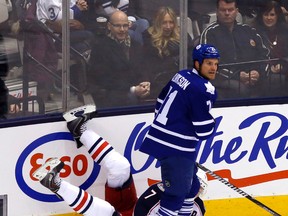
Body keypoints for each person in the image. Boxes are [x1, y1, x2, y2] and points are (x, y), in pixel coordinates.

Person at [32, 104, 207, 216]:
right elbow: (142, 205)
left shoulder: (190, 208)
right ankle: (79, 129)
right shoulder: (178, 195)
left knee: (107, 212)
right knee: (120, 167)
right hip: (133, 208)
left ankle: (56, 184)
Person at [139, 44, 220, 216]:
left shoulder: (181, 75)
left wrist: (165, 128)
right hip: (178, 148)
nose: (213, 68)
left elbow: (160, 101)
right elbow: (203, 130)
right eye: (208, 63)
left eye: (215, 63)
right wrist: (212, 125)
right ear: (197, 63)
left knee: (191, 188)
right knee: (174, 198)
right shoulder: (204, 89)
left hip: (159, 140)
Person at [200, 0, 269, 99]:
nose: (227, 13)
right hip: (222, 79)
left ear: (237, 11)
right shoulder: (210, 33)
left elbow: (265, 54)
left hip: (253, 76)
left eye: (230, 10)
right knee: (240, 88)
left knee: (275, 81)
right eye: (223, 10)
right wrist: (237, 76)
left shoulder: (248, 30)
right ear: (217, 11)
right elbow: (207, 63)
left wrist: (258, 72)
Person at [88, 10, 150, 108]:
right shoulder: (100, 47)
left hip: (134, 90)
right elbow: (104, 79)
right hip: (111, 94)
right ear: (109, 26)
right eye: (117, 26)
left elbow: (142, 68)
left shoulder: (136, 45)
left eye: (125, 25)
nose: (122, 29)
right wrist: (133, 90)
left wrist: (145, 83)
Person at [142, 6, 193, 99]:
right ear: (157, 23)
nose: (168, 27)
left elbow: (191, 57)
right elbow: (151, 67)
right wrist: (173, 59)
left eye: (171, 22)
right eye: (164, 23)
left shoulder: (182, 35)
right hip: (161, 82)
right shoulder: (148, 38)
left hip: (183, 79)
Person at [252, 0, 288, 96]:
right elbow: (255, 57)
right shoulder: (254, 33)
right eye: (265, 14)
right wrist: (270, 68)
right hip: (263, 73)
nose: (269, 18)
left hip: (284, 70)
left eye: (272, 15)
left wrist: (283, 66)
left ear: (277, 16)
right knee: (275, 80)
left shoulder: (285, 32)